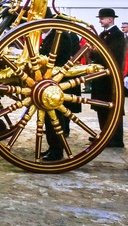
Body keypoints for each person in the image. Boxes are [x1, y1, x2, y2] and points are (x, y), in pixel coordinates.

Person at [40, 10, 82, 161]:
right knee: (49, 119)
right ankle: (52, 147)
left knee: (56, 119)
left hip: (57, 81)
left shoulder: (60, 35)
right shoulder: (51, 35)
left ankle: (57, 151)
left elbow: (55, 57)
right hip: (49, 81)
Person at [89, 8, 125, 148]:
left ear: (110, 19)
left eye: (102, 18)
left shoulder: (117, 35)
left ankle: (115, 139)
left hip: (110, 79)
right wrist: (92, 51)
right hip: (102, 77)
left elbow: (112, 55)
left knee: (112, 108)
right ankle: (104, 135)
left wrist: (96, 51)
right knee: (101, 107)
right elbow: (97, 54)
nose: (100, 21)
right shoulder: (104, 34)